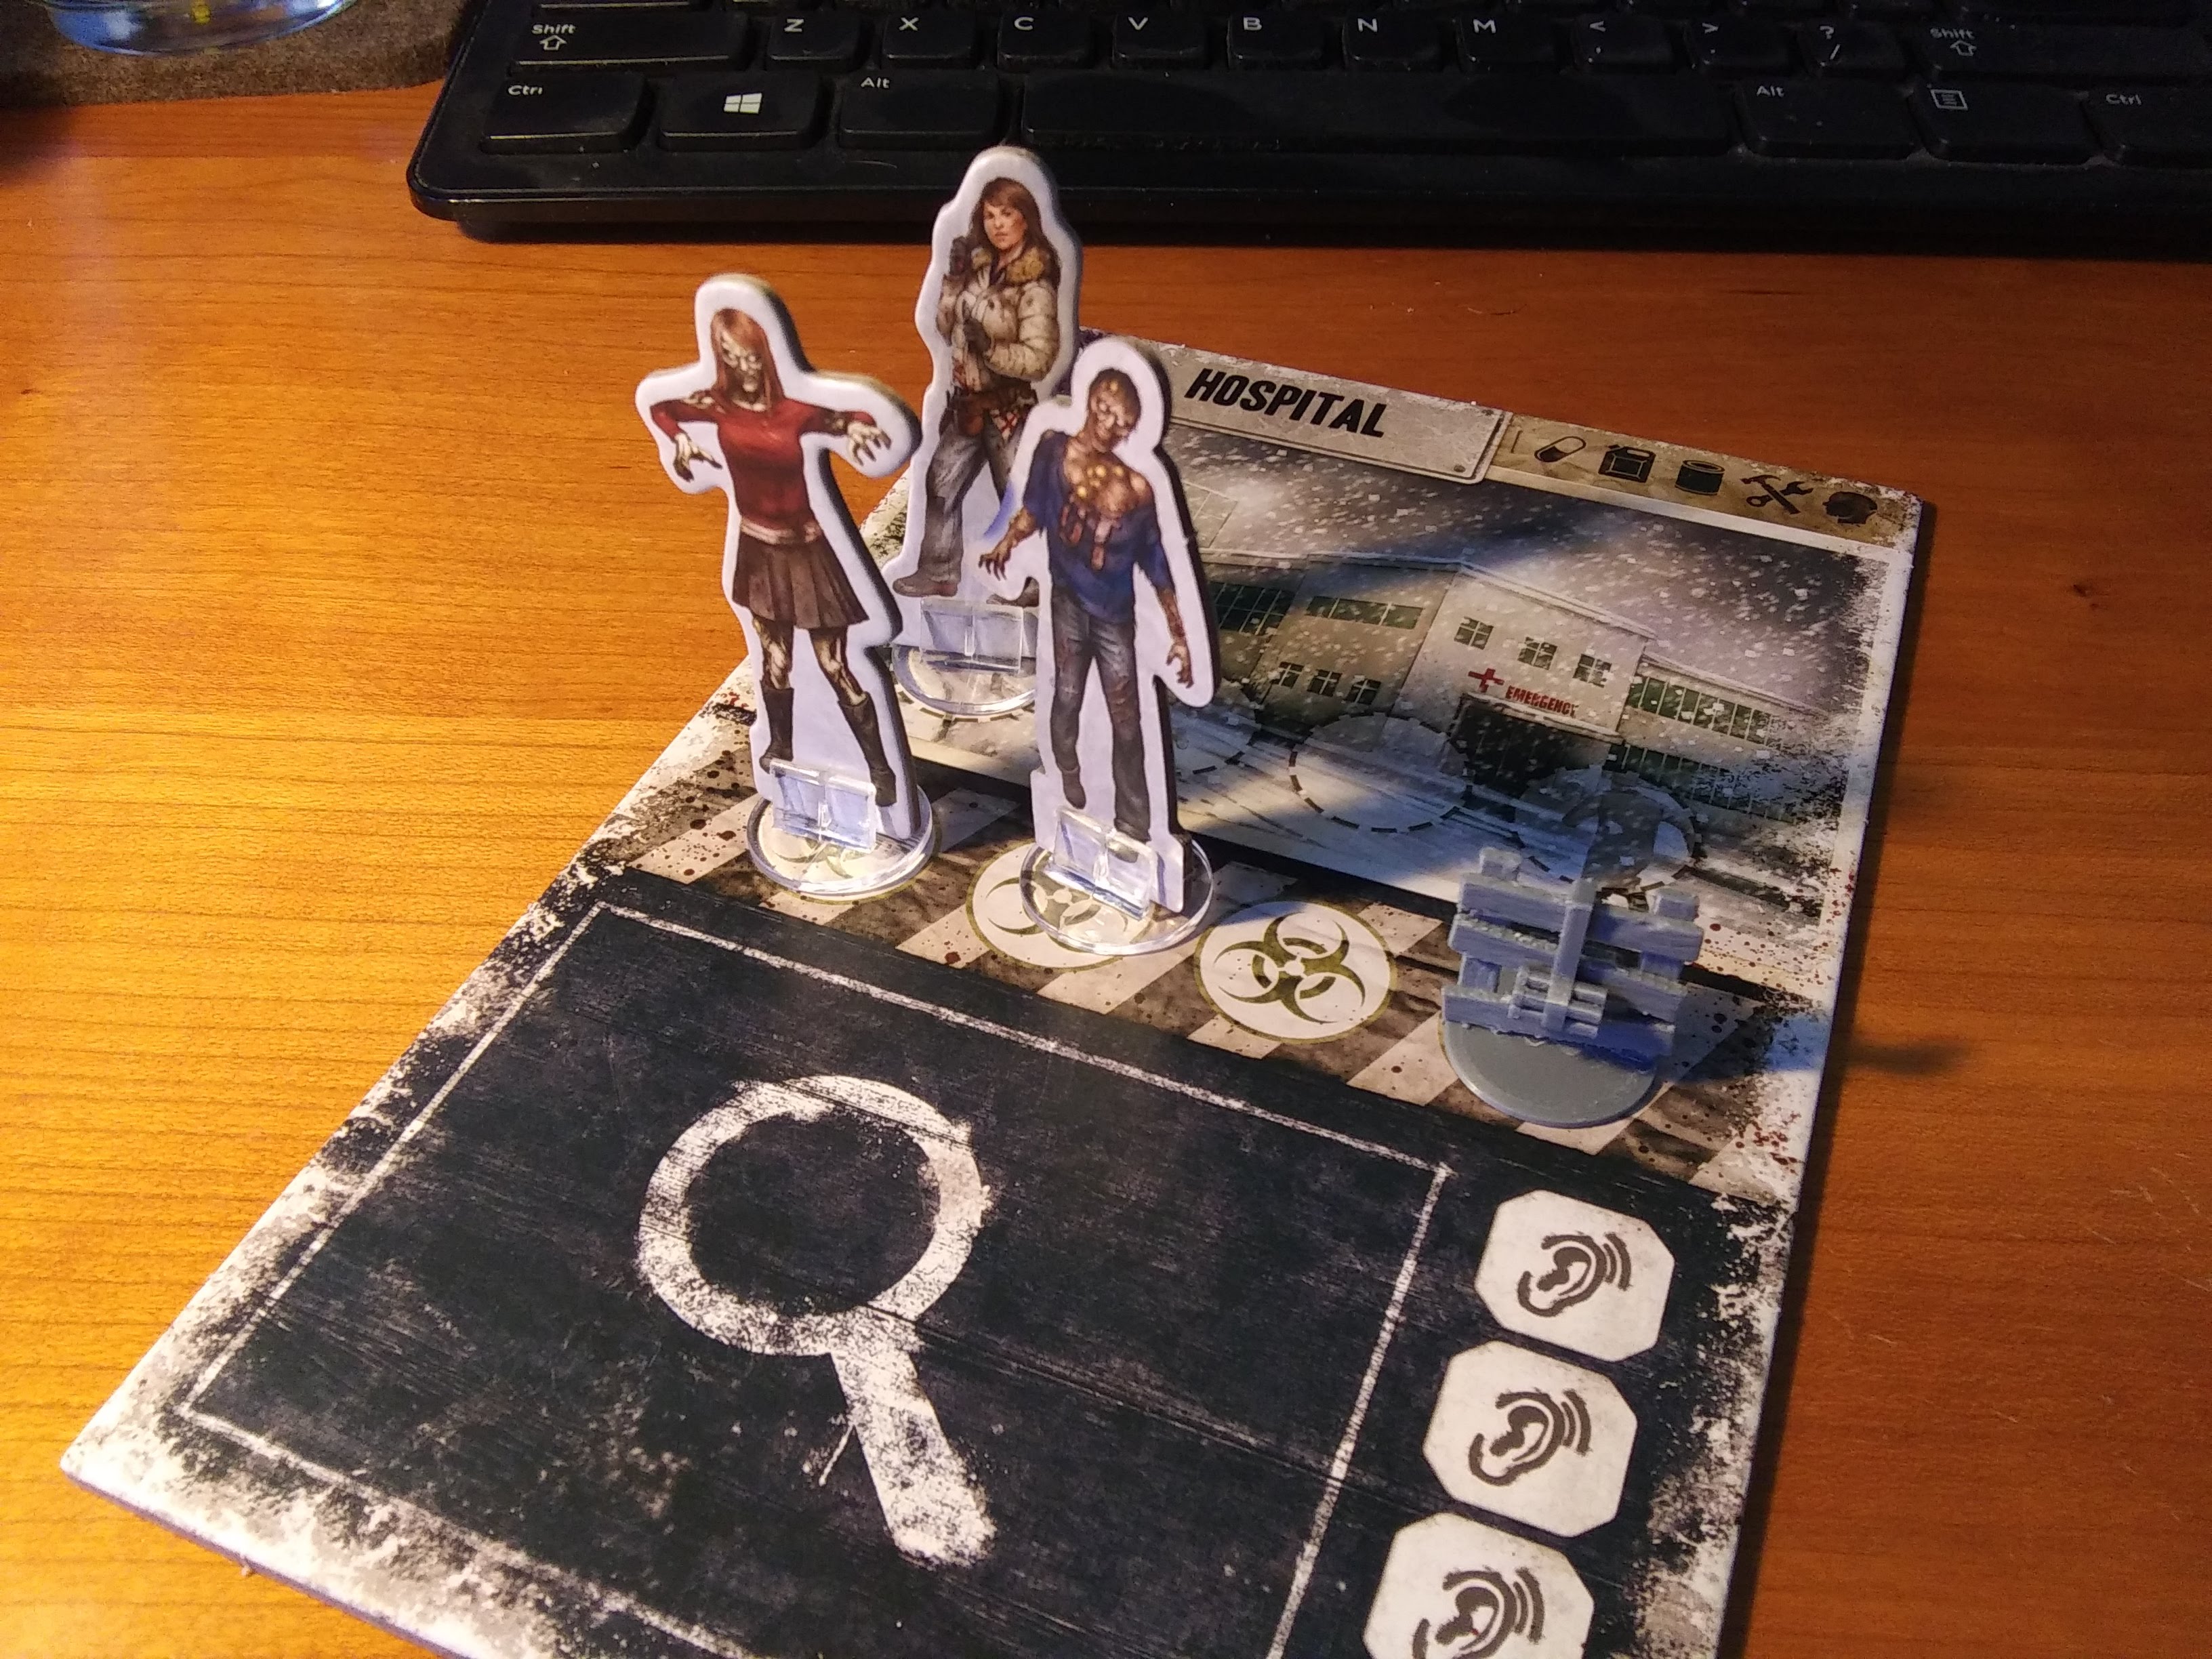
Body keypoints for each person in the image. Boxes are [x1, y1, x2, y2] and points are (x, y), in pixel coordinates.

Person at [647, 308, 900, 804]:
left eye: (750, 355)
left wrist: (857, 428)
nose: (743, 366)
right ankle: (782, 747)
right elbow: (660, 406)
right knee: (775, 662)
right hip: (758, 551)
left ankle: (880, 769)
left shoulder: (793, 410)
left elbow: (856, 414)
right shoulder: (715, 405)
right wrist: (679, 439)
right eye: (731, 356)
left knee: (835, 665)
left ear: (763, 352)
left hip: (809, 554)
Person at [981, 369, 1193, 841]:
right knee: (1067, 694)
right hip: (1068, 600)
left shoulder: (1138, 487)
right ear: (1093, 404)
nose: (1115, 429)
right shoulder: (1054, 450)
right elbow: (1034, 509)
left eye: (1125, 424)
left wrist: (1180, 634)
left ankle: (1135, 821)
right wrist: (1006, 545)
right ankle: (1068, 770)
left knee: (1128, 719)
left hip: (1115, 615)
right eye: (1109, 414)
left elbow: (1158, 563)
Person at [894, 176, 1062, 600]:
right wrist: (953, 280)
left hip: (1008, 409)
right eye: (989, 216)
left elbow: (1040, 360)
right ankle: (938, 570)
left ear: (1026, 219)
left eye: (1007, 214)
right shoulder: (978, 270)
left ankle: (1029, 582)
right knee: (940, 482)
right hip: (967, 406)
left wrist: (991, 349)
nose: (998, 224)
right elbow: (944, 327)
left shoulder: (1036, 286)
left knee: (1018, 499)